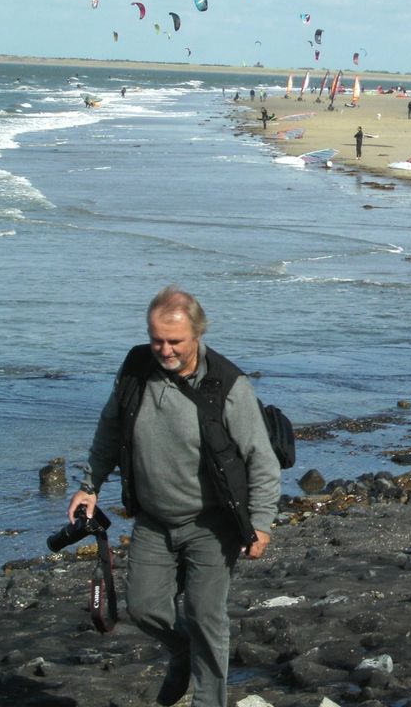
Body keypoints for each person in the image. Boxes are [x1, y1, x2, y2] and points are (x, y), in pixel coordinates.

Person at [66, 286, 281, 707]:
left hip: (212, 524)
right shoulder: (134, 369)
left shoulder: (229, 385)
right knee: (143, 608)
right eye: (156, 339)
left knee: (206, 617)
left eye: (174, 341)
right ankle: (181, 652)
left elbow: (262, 459)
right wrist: (89, 486)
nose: (163, 349)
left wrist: (261, 524)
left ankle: (208, 701)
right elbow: (110, 430)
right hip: (152, 519)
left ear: (198, 333)